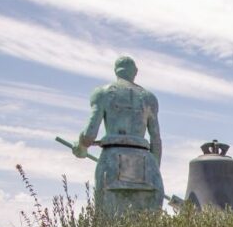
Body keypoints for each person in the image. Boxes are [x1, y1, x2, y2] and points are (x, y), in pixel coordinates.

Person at [70, 55, 165, 215]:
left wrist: (80, 147)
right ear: (135, 72)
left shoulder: (102, 93)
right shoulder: (149, 98)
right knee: (147, 226)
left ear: (116, 71)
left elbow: (88, 135)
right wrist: (153, 170)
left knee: (107, 223)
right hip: (146, 162)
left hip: (111, 158)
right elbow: (156, 139)